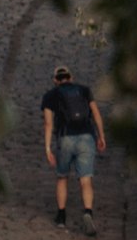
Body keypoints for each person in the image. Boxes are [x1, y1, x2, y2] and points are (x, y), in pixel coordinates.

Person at [41, 65, 105, 231]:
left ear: (55, 80)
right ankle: (88, 212)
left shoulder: (50, 95)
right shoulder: (84, 90)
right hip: (86, 137)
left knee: (62, 177)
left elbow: (48, 123)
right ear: (71, 77)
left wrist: (48, 148)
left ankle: (61, 215)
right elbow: (96, 114)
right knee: (86, 179)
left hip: (65, 139)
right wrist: (101, 136)